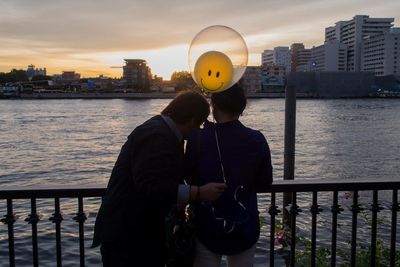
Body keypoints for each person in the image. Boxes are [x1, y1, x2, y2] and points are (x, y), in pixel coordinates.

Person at [92, 91, 227, 267]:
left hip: (134, 234)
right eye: (199, 124)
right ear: (192, 119)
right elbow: (151, 186)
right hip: (128, 237)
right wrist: (199, 193)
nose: (197, 131)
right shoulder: (157, 136)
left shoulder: (161, 131)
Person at [185, 84, 273, 267]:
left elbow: (189, 178)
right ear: (241, 107)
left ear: (213, 105)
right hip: (244, 223)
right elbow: (264, 183)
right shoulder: (257, 139)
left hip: (206, 224)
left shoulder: (197, 138)